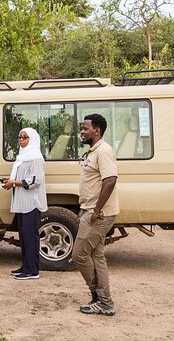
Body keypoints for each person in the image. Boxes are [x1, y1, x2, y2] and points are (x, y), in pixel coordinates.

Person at [73, 113, 119, 316]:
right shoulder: (94, 151)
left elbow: (110, 180)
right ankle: (104, 301)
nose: (82, 131)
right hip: (91, 211)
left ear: (96, 130)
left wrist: (96, 211)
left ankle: (98, 297)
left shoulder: (104, 151)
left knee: (79, 255)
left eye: (85, 128)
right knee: (96, 255)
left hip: (98, 214)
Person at [2, 127, 48, 280]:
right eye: (20, 137)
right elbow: (23, 176)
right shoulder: (22, 157)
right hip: (22, 202)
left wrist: (13, 182)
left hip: (31, 203)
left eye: (25, 137)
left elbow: (35, 181)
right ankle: (25, 266)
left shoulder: (35, 158)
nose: (21, 140)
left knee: (30, 236)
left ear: (32, 139)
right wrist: (9, 181)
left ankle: (33, 271)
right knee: (23, 235)